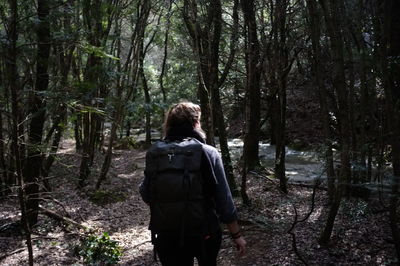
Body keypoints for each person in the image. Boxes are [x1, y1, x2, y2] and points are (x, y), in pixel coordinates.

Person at [139, 102, 246, 266]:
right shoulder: (208, 151)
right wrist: (236, 235)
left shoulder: (155, 152)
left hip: (167, 233)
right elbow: (223, 199)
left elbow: (146, 194)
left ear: (170, 124)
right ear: (195, 123)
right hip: (204, 232)